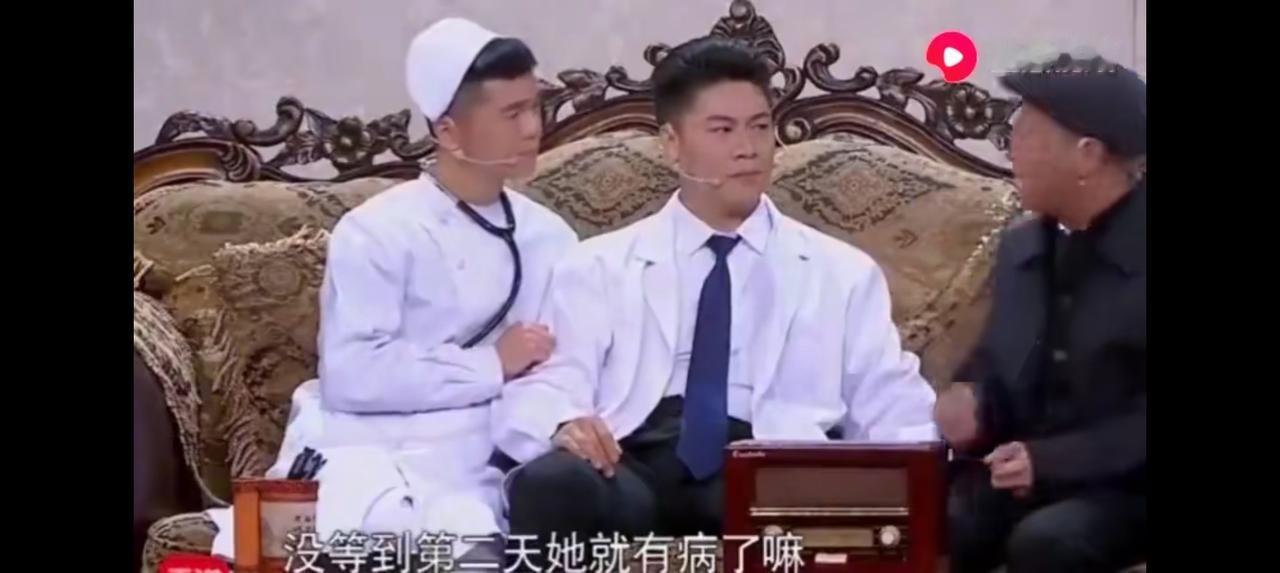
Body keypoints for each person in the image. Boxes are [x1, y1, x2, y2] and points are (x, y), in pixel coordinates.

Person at [493, 37, 937, 545]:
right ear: (672, 143)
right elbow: (554, 379)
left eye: (760, 127)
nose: (747, 148)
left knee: (794, 499)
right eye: (722, 130)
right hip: (631, 458)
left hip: (767, 463)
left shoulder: (842, 272)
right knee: (553, 482)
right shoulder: (597, 265)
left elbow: (890, 402)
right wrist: (564, 420)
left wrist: (919, 475)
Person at [263, 17, 577, 561]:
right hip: (362, 449)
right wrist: (490, 364)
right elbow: (353, 376)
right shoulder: (376, 231)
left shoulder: (550, 237)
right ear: (449, 132)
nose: (533, 129)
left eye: (535, 107)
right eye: (512, 113)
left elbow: (561, 367)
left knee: (476, 541)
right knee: (372, 529)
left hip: (475, 457)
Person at [935, 52, 1147, 573]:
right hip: (1023, 475)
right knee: (933, 516)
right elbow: (998, 364)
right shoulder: (1022, 249)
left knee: (1048, 542)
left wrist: (1051, 461)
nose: (1012, 151)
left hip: (1128, 485)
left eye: (1027, 135)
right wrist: (973, 402)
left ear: (1087, 155)